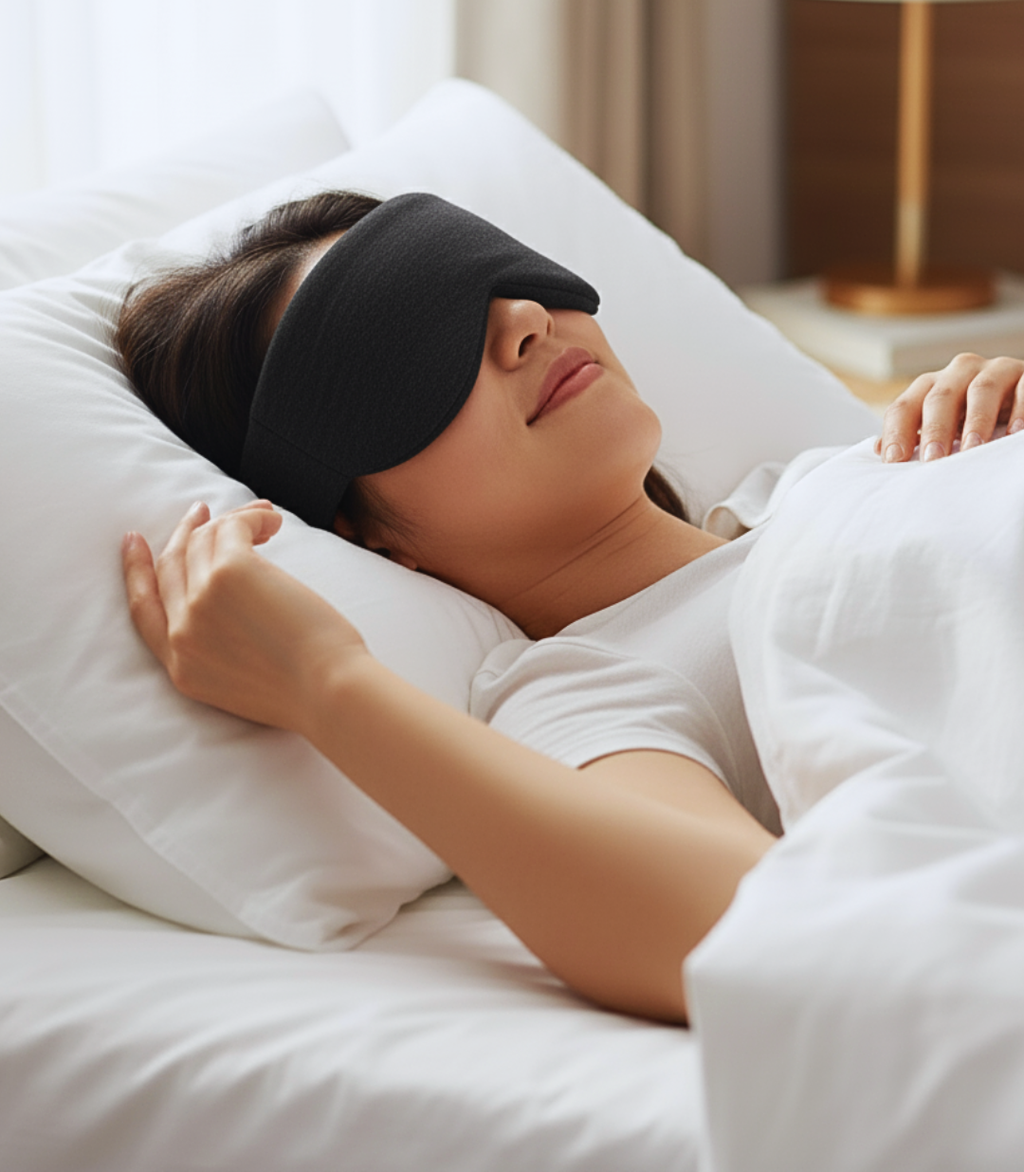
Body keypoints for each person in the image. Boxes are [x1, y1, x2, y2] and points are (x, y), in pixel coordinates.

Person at [118, 190, 1024, 1023]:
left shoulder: (833, 476)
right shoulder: (593, 684)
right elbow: (755, 925)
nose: (524, 319)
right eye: (410, 348)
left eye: (494, 275)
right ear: (359, 532)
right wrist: (325, 684)